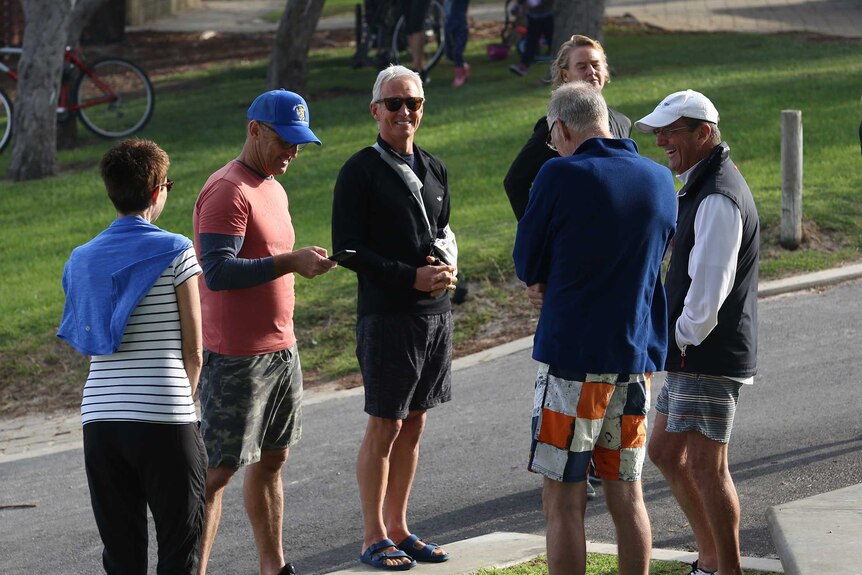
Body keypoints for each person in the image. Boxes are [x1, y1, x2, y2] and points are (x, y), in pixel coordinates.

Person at [513, 81, 676, 575]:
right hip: (635, 361)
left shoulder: (558, 174)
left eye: (552, 138)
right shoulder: (659, 179)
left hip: (574, 363)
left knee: (562, 498)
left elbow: (527, 262)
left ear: (560, 128)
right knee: (628, 494)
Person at [192, 89, 336, 575]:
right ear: (255, 130)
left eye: (299, 143)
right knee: (217, 473)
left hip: (281, 351)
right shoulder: (226, 190)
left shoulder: (273, 186)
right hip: (236, 358)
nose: (292, 152)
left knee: (273, 460)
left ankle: (273, 568)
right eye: (284, 141)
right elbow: (218, 272)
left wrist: (300, 262)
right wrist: (290, 263)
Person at [58, 139, 206, 574]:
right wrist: (183, 400)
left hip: (100, 418)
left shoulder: (80, 259)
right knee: (180, 549)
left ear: (111, 191)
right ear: (159, 189)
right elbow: (193, 349)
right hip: (164, 413)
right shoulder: (177, 249)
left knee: (121, 556)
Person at [332, 65, 457, 571]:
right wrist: (409, 278)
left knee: (416, 424)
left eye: (414, 103)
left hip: (435, 313)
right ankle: (372, 534)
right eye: (395, 103)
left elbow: (442, 230)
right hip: (388, 316)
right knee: (386, 423)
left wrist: (446, 268)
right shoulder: (360, 170)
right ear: (375, 110)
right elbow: (347, 250)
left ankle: (401, 527)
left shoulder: (434, 166)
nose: (405, 112)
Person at [635, 90, 760, 575]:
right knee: (665, 450)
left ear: (703, 134)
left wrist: (680, 338)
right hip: (693, 353)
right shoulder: (702, 184)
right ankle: (710, 559)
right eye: (659, 131)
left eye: (672, 131)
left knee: (709, 467)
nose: (662, 140)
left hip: (705, 353)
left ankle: (724, 569)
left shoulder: (718, 195)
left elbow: (710, 290)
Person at [504, 34, 632, 221]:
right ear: (565, 75)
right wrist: (538, 233)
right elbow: (515, 181)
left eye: (596, 65)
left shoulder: (623, 123)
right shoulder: (555, 127)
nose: (591, 71)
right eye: (581, 66)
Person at [508, 0, 554, 77]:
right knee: (531, 42)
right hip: (533, 17)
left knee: (552, 41)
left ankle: (565, 65)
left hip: (547, 16)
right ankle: (523, 67)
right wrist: (517, 6)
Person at [444, 0, 471, 87]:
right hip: (449, 27)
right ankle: (463, 66)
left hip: (460, 28)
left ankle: (459, 76)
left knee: (457, 52)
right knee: (449, 54)